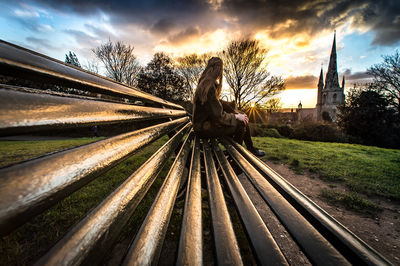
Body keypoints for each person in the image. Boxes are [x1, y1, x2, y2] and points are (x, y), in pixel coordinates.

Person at [192, 57, 265, 157]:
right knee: (241, 123)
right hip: (204, 129)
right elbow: (219, 116)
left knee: (241, 116)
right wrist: (235, 117)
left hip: (203, 126)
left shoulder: (205, 83)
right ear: (218, 70)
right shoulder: (209, 87)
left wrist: (236, 113)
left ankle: (248, 149)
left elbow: (217, 103)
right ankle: (236, 156)